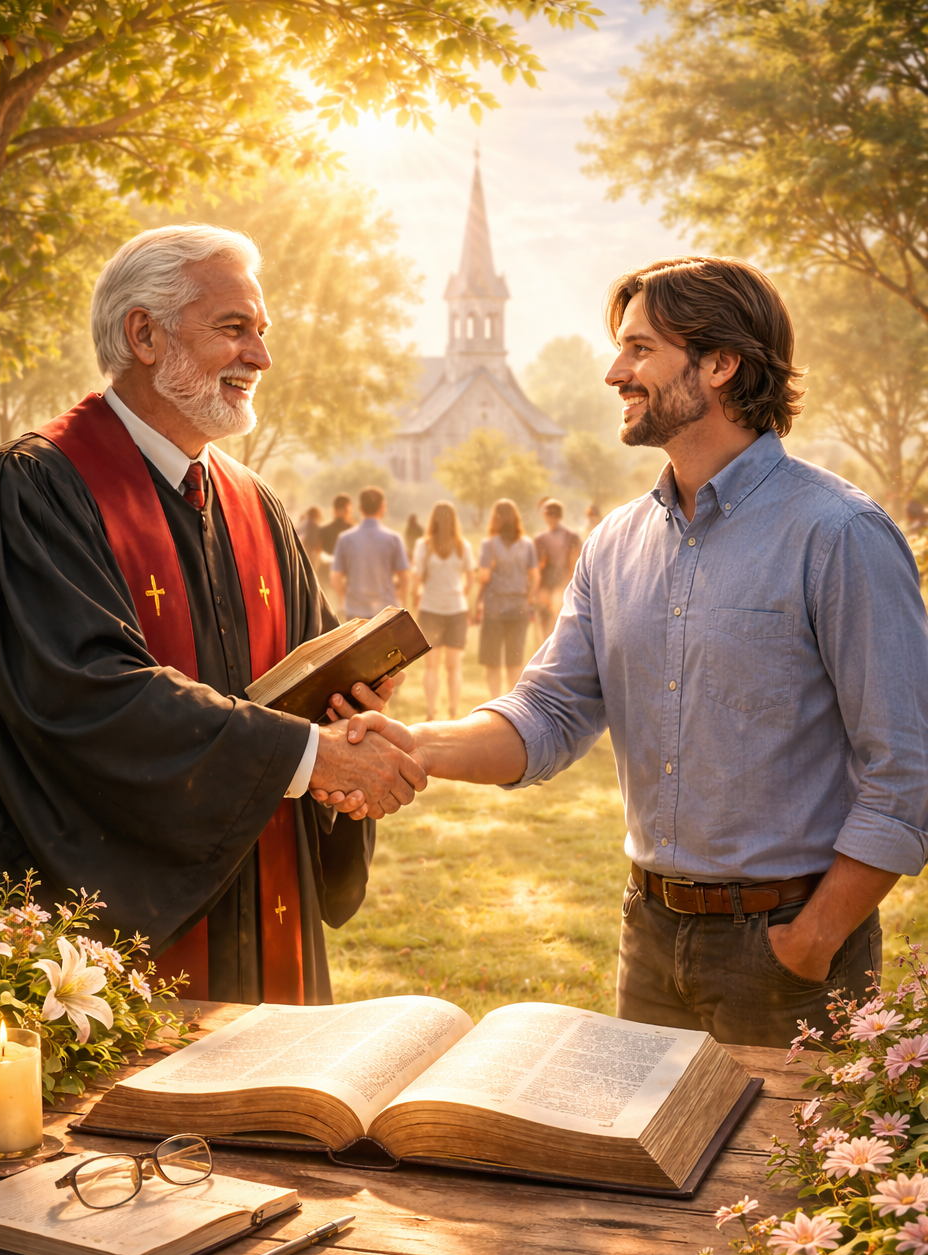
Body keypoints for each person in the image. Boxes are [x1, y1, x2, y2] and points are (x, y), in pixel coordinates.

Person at [0, 223, 426, 1255]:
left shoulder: (255, 506)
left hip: (261, 923)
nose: (262, 349)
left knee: (274, 1180)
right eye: (233, 326)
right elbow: (79, 699)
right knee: (125, 1198)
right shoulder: (29, 493)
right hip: (118, 932)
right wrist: (313, 755)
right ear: (144, 337)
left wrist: (352, 719)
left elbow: (299, 681)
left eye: (256, 325)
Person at [337, 256, 928, 1050]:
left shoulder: (838, 534)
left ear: (720, 365)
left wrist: (811, 939)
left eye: (640, 349)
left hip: (791, 955)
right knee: (645, 1174)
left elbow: (907, 769)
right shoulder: (614, 542)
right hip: (648, 938)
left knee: (782, 1178)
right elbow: (546, 713)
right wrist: (415, 745)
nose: (616, 371)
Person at [411, 501, 475, 719]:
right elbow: (471, 579)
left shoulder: (424, 545)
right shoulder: (462, 545)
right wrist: (458, 595)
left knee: (431, 666)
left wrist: (415, 595)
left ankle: (431, 711)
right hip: (457, 610)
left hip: (430, 609)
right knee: (454, 667)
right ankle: (454, 711)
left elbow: (417, 577)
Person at [476, 498, 538, 698]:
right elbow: (535, 576)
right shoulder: (527, 544)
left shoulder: (489, 544)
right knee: (515, 661)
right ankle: (513, 704)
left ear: (497, 518)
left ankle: (494, 701)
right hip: (519, 607)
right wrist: (528, 598)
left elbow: (483, 576)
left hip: (494, 607)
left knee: (493, 661)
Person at [331, 486, 409, 618]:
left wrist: (344, 596)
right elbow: (404, 577)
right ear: (383, 507)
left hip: (355, 610)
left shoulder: (345, 539)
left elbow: (336, 577)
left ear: (360, 508)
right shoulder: (394, 539)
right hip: (386, 611)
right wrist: (404, 601)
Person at [533, 499, 581, 642]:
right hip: (563, 585)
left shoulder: (541, 538)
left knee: (546, 623)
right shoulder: (572, 536)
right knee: (561, 624)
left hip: (547, 586)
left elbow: (537, 566)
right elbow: (575, 564)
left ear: (545, 515)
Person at [318, 492, 354, 558]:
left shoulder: (322, 530)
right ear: (348, 509)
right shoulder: (353, 531)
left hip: (327, 567)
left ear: (334, 510)